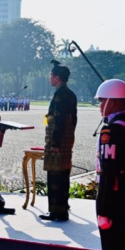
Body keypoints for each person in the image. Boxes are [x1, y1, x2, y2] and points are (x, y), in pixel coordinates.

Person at [94, 79, 125, 250]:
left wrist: (103, 209)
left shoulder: (112, 131)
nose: (100, 105)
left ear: (114, 101)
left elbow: (109, 172)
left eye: (102, 100)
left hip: (114, 200)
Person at [40, 61, 77, 222]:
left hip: (58, 141)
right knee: (63, 176)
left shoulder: (60, 94)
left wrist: (54, 143)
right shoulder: (70, 93)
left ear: (57, 77)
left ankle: (56, 211)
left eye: (51, 75)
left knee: (55, 177)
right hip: (66, 140)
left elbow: (58, 120)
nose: (49, 78)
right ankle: (62, 208)